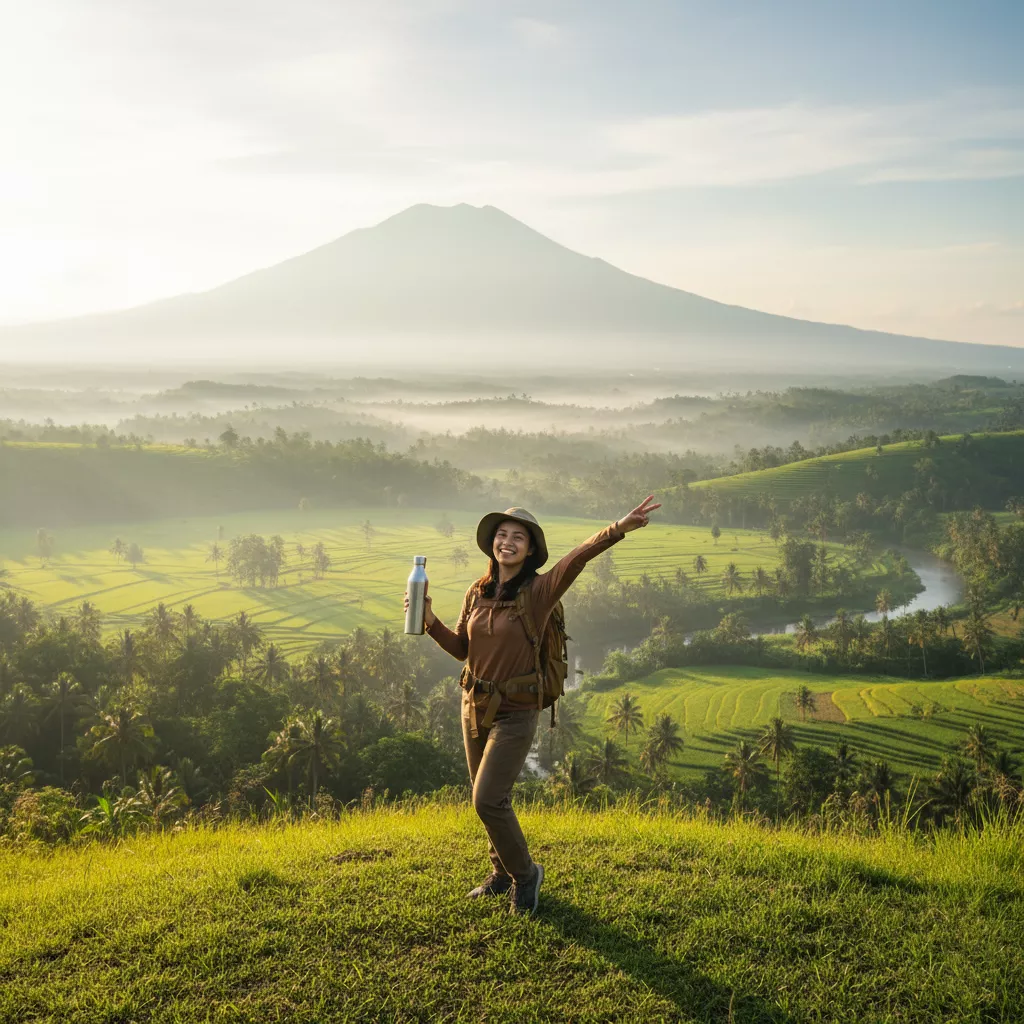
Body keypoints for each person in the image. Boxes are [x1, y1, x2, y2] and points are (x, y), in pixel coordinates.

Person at [407, 496, 660, 915]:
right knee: (486, 800)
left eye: (517, 538)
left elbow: (576, 559)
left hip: (515, 711)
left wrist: (618, 528)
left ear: (529, 549)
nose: (507, 542)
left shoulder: (538, 592)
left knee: (488, 799)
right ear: (492, 543)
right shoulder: (477, 591)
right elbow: (462, 649)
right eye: (501, 535)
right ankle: (500, 872)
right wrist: (430, 621)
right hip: (473, 704)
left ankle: (526, 876)